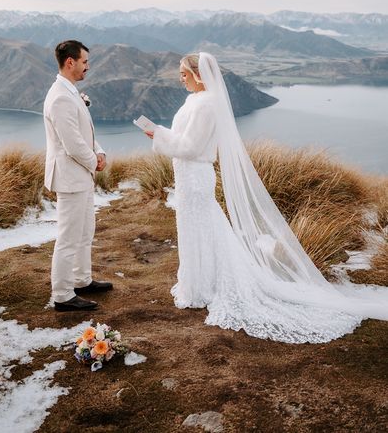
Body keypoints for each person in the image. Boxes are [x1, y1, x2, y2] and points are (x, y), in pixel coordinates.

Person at [146, 52, 387, 343]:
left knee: (200, 227)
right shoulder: (194, 100)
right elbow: (182, 138)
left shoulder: (208, 104)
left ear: (198, 75)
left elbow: (192, 146)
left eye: (183, 72)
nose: (180, 76)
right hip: (186, 175)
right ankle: (198, 283)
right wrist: (162, 135)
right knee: (194, 229)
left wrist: (157, 134)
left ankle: (202, 287)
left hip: (195, 176)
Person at [44, 40, 112, 311]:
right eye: (84, 62)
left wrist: (100, 151)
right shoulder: (60, 97)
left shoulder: (71, 92)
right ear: (70, 62)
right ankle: (62, 294)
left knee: (85, 232)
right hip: (70, 177)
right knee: (68, 236)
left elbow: (84, 132)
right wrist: (93, 161)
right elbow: (71, 143)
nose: (88, 67)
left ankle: (82, 279)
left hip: (81, 175)